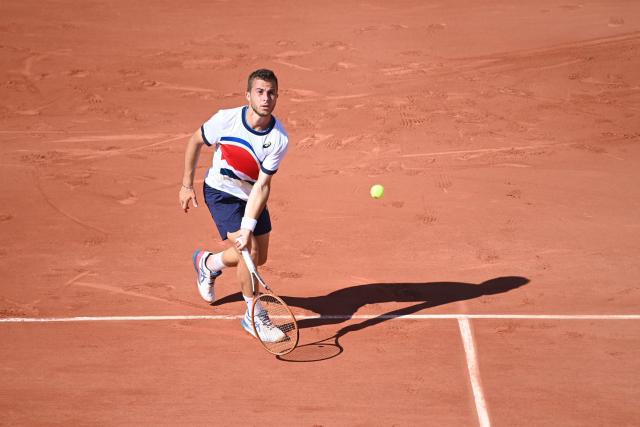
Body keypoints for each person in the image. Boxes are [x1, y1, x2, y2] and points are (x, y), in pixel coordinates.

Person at [179, 69, 289, 341]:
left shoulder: (278, 139)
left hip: (251, 194)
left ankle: (209, 263)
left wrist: (249, 225)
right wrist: (186, 184)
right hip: (220, 192)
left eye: (271, 92)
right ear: (248, 95)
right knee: (247, 252)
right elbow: (195, 141)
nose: (266, 98)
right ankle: (254, 316)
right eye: (260, 92)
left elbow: (263, 186)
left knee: (258, 256)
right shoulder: (225, 119)